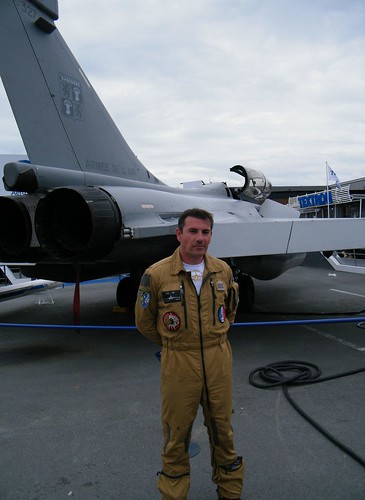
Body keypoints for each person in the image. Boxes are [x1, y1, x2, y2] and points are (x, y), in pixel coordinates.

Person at [135, 208, 244, 500]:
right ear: (179, 234)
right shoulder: (156, 274)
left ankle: (230, 493)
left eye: (205, 232)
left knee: (223, 431)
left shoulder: (222, 270)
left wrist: (210, 338)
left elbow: (229, 311)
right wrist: (175, 344)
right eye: (193, 231)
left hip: (218, 358)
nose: (200, 238)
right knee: (176, 434)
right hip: (179, 362)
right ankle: (174, 494)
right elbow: (145, 322)